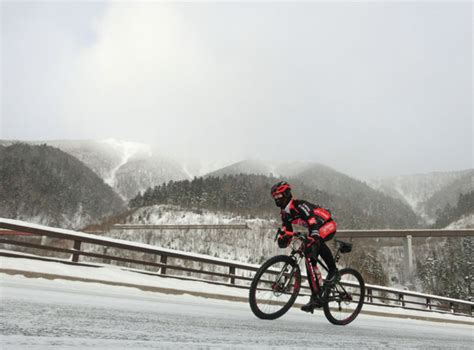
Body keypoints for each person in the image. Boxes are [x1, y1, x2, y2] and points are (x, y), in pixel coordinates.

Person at [271, 181, 338, 313]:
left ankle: (333, 271)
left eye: (279, 196)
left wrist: (314, 233)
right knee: (309, 259)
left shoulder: (299, 205)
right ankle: (316, 296)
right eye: (275, 197)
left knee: (316, 242)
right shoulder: (284, 213)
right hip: (315, 227)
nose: (277, 199)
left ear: (286, 194)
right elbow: (287, 230)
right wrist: (284, 239)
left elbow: (311, 219)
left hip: (327, 224)